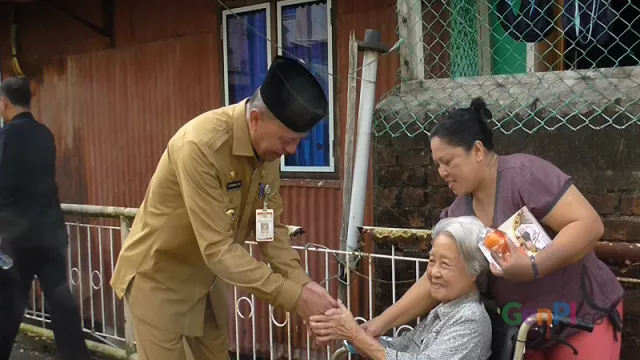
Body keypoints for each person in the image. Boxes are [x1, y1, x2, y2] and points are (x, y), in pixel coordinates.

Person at [109, 55, 338, 360]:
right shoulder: (200, 145)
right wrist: (295, 298)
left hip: (207, 284)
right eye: (286, 140)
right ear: (255, 119)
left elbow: (271, 233)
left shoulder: (267, 154)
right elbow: (218, 249)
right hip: (160, 280)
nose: (291, 151)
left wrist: (305, 286)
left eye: (298, 142)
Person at [361, 97, 624, 360]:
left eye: (448, 161)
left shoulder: (524, 176)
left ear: (477, 151)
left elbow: (588, 225)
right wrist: (378, 325)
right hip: (525, 331)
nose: (441, 172)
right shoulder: (458, 213)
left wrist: (533, 267)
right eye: (437, 164)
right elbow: (437, 276)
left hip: (581, 317)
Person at [310, 216, 492, 360]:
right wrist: (354, 334)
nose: (434, 272)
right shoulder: (446, 309)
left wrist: (357, 336)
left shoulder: (470, 318)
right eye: (431, 261)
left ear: (473, 270)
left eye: (445, 264)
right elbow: (405, 346)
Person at [0, 77, 91, 360]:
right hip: (50, 233)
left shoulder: (6, 136)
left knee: (8, 306)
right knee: (61, 301)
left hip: (16, 238)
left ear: (3, 103)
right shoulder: (45, 134)